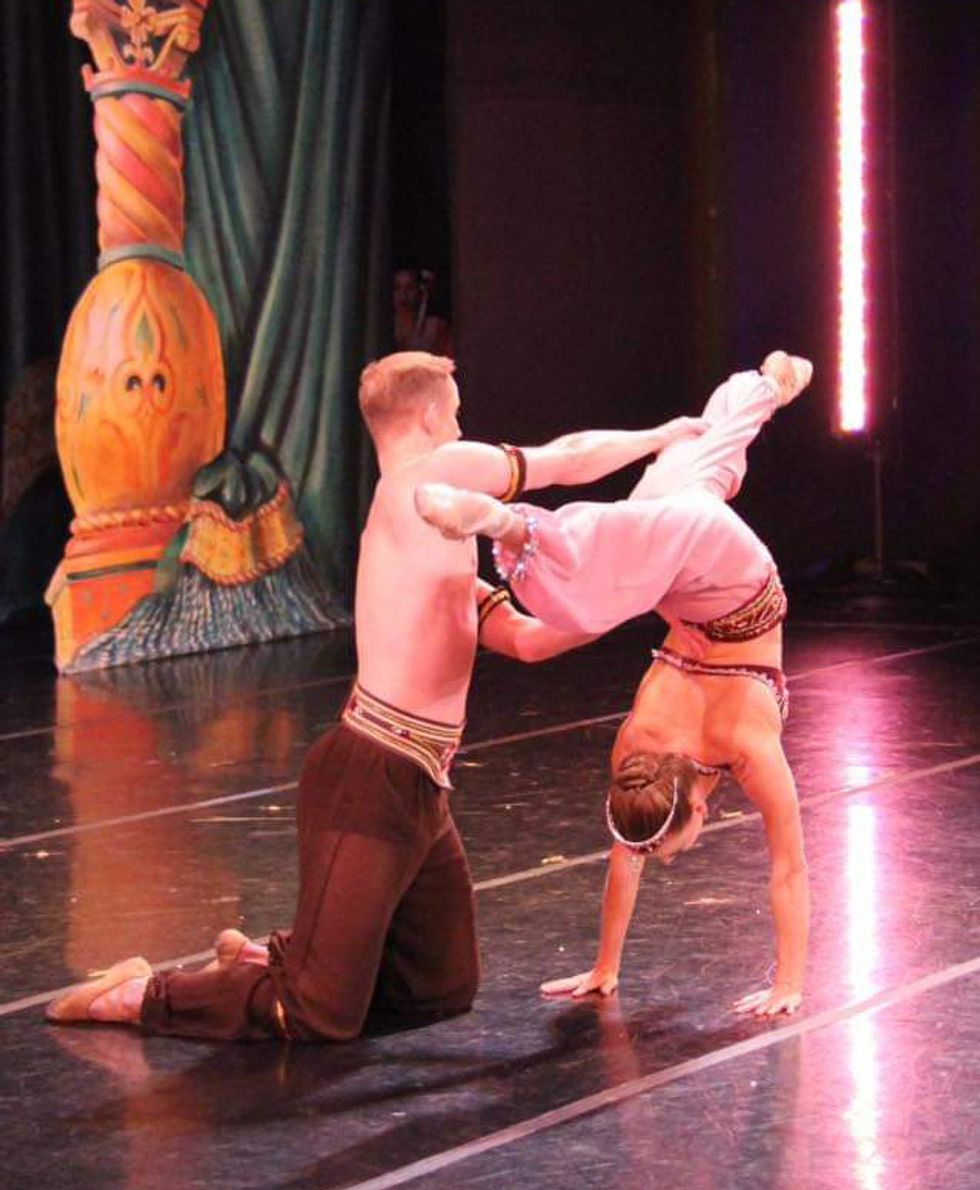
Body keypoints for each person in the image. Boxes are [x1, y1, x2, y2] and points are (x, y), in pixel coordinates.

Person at [45, 350, 707, 1040]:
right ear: (426, 413)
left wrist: (634, 597)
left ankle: (271, 958)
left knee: (438, 992)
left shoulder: (430, 543)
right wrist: (662, 438)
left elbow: (531, 640)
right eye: (452, 408)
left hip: (419, 786)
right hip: (369, 775)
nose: (459, 422)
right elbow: (565, 457)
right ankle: (139, 995)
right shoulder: (429, 478)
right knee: (313, 1014)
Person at [415, 351, 813, 1016]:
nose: (665, 859)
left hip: (704, 568)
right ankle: (767, 386)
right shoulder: (713, 744)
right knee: (621, 565)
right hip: (711, 576)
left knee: (684, 478)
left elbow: (781, 866)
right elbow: (652, 858)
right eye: (667, 848)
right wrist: (607, 965)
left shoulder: (652, 747)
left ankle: (507, 522)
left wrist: (790, 985)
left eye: (665, 847)